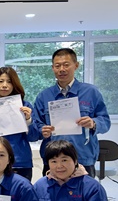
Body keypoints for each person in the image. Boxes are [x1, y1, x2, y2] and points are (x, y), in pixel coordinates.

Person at [33, 48, 111, 176]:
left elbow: (106, 122)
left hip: (83, 157)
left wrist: (93, 123)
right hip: (53, 159)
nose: (61, 69)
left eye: (66, 65)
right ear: (53, 68)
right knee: (52, 189)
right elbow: (36, 125)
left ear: (76, 65)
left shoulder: (91, 92)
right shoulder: (44, 96)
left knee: (85, 189)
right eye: (57, 66)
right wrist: (42, 130)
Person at [0, 67, 40, 181]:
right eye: (1, 81)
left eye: (9, 82)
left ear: (14, 84)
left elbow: (34, 137)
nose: (4, 85)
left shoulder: (25, 106)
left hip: (20, 162)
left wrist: (28, 120)